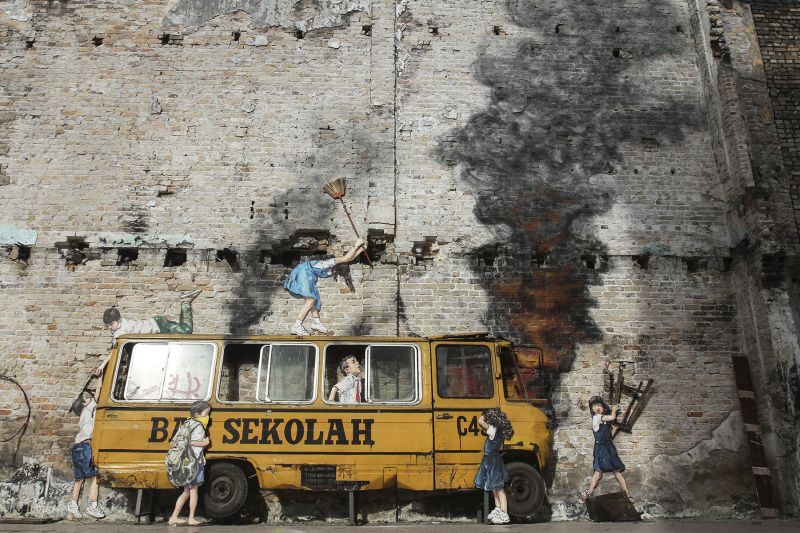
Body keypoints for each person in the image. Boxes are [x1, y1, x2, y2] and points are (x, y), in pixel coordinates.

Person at [94, 289, 202, 375]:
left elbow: (114, 351)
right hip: (156, 323)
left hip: (159, 326)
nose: (110, 328)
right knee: (181, 330)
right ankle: (185, 302)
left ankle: (185, 302)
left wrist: (102, 365)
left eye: (111, 325)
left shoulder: (120, 332)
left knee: (186, 331)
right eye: (107, 326)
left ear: (118, 321)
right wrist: (104, 327)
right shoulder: (122, 323)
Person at [284, 239, 365, 336]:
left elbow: (349, 259)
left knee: (315, 300)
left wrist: (361, 250)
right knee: (310, 300)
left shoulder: (332, 270)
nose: (338, 273)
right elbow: (346, 258)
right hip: (304, 272)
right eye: (339, 270)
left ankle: (316, 323)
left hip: (310, 276)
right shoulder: (329, 262)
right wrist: (357, 245)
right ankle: (296, 326)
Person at [581, 395, 633, 502]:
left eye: (599, 405)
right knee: (598, 473)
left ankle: (627, 494)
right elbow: (612, 417)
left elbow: (609, 436)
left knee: (617, 472)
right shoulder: (597, 418)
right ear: (591, 409)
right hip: (600, 449)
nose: (597, 407)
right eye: (594, 406)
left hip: (609, 447)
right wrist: (614, 410)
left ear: (603, 407)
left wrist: (614, 429)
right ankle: (588, 493)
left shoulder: (604, 421)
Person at [67, 378, 105, 520]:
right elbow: (99, 390)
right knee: (96, 476)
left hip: (78, 446)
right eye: (86, 398)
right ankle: (92, 506)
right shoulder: (90, 407)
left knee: (79, 479)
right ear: (84, 403)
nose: (89, 397)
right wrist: (100, 376)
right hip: (85, 446)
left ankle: (73, 506)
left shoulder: (84, 414)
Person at [168, 400, 211, 526]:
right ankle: (191, 518)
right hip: (194, 462)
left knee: (186, 491)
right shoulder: (198, 426)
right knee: (193, 491)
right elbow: (194, 442)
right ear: (198, 415)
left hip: (184, 463)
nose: (207, 416)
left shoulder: (186, 424)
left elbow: (173, 443)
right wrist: (205, 442)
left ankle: (173, 517)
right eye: (206, 413)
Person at [474, 408, 514, 524]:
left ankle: (504, 513)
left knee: (498, 488)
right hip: (494, 459)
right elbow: (500, 447)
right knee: (494, 487)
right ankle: (498, 509)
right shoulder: (500, 431)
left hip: (491, 461)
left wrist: (484, 415)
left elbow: (480, 421)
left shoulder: (492, 429)